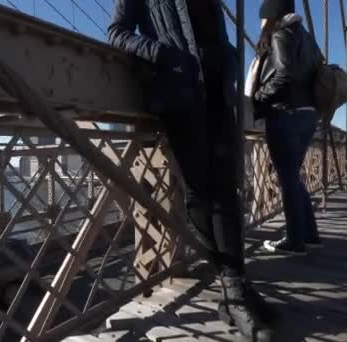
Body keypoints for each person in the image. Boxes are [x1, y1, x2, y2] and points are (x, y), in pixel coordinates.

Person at [108, 0, 273, 340]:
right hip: (181, 95)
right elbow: (117, 33)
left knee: (227, 192)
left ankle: (237, 289)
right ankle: (235, 291)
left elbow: (214, 32)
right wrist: (165, 56)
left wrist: (228, 58)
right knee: (202, 193)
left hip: (218, 95)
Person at [247, 0, 323, 255]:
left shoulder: (280, 34)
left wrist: (258, 98)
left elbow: (284, 75)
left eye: (262, 17)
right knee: (293, 176)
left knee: (287, 178)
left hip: (285, 114)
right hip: (307, 115)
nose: (260, 23)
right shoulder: (307, 38)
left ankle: (294, 241)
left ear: (272, 15)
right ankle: (310, 234)